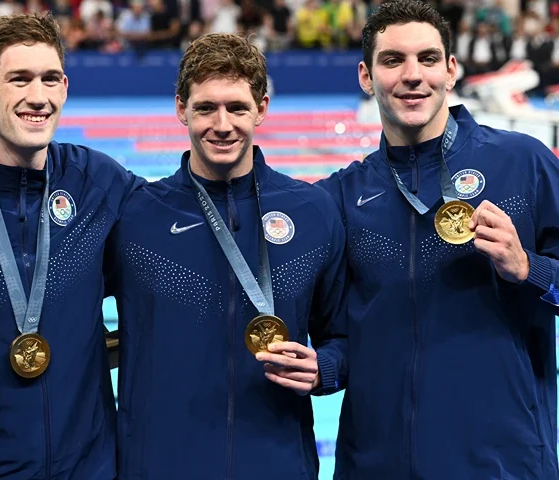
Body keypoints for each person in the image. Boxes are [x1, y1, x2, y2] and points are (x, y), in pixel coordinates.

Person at [316, 1, 559, 478]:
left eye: (428, 59)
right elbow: (341, 336)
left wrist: (531, 269)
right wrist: (324, 368)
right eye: (393, 61)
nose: (413, 75)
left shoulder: (523, 163)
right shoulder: (341, 197)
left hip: (502, 461)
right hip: (377, 462)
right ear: (366, 76)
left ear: (450, 70)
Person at [105, 32, 348, 479]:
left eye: (237, 107)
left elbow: (346, 335)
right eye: (205, 108)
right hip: (159, 466)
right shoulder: (136, 214)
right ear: (181, 108)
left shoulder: (312, 213)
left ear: (262, 108)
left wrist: (326, 368)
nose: (222, 124)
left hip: (277, 464)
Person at [0, 13, 143, 479]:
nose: (38, 97)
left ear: (65, 87)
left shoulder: (96, 181)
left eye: (50, 79)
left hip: (87, 468)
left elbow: (184, 239)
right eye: (19, 79)